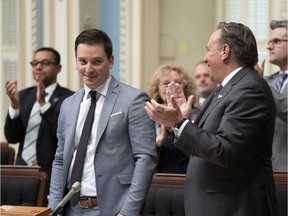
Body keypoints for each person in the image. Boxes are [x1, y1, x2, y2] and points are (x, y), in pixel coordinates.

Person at [145, 22, 278, 216]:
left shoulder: (249, 88)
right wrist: (183, 122)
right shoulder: (227, 88)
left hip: (235, 206)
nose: (205, 58)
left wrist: (179, 123)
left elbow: (225, 150)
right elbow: (202, 146)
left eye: (208, 50)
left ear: (225, 51)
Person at [48, 28, 158, 216]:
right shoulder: (69, 104)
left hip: (112, 209)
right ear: (76, 62)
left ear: (111, 61)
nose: (88, 69)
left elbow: (145, 159)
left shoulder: (134, 99)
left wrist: (128, 211)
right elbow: (60, 159)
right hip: (70, 208)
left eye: (96, 61)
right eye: (83, 61)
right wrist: (54, 205)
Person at [4, 47, 74, 181]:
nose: (39, 67)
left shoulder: (69, 99)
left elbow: (65, 137)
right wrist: (14, 107)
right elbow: (12, 138)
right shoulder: (23, 96)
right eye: (35, 63)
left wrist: (43, 104)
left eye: (46, 63)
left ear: (58, 68)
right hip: (21, 172)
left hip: (52, 175)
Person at [146, 63, 194, 173]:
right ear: (156, 88)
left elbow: (200, 152)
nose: (171, 86)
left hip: (185, 177)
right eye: (166, 83)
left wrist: (177, 127)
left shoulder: (195, 113)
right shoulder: (148, 114)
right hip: (156, 179)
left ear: (185, 86)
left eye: (177, 82)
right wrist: (160, 140)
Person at [257, 20, 287, 171]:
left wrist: (261, 84)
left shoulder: (264, 84)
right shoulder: (267, 81)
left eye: (276, 41)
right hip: (263, 169)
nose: (269, 46)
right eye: (269, 42)